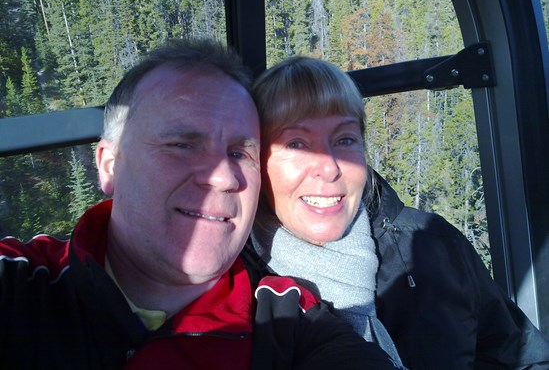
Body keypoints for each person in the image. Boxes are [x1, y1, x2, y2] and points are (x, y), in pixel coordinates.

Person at [0, 40, 400, 370]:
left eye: (240, 153)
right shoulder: (23, 286)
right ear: (109, 165)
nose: (224, 177)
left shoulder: (290, 321)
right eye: (182, 145)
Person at [248, 55, 549, 370]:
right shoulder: (236, 284)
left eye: (344, 139)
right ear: (256, 160)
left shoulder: (431, 246)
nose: (329, 167)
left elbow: (524, 358)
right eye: (296, 144)